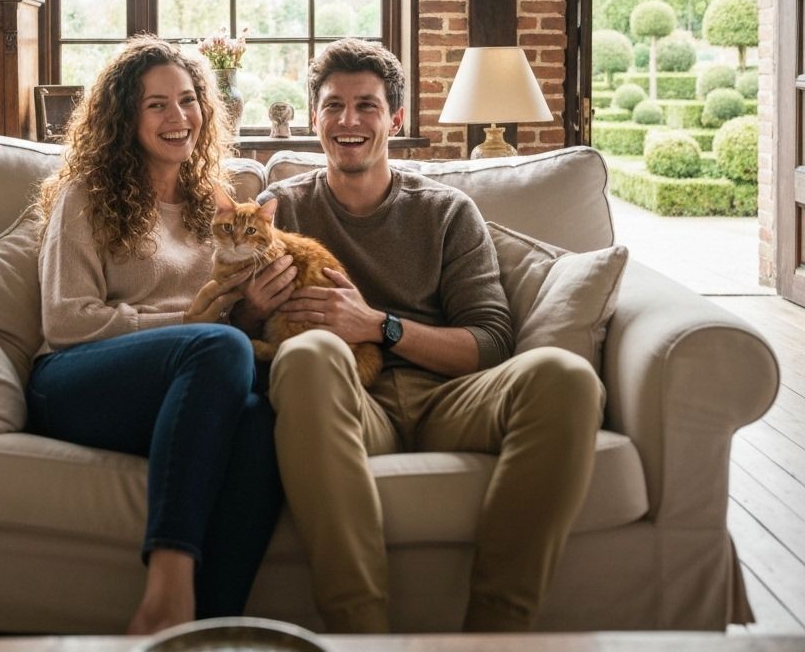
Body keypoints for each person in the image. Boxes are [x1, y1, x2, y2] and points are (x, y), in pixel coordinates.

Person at [234, 38, 604, 634]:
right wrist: (252, 310)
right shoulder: (282, 208)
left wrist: (378, 325)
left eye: (367, 106)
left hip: (450, 398)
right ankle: (361, 636)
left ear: (396, 119)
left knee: (565, 376)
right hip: (347, 404)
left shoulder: (447, 211)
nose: (348, 121)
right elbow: (233, 337)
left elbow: (491, 341)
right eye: (333, 106)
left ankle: (494, 636)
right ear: (313, 117)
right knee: (306, 354)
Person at [27, 35, 283, 635]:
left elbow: (217, 329)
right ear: (124, 117)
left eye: (188, 100)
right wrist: (192, 325)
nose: (179, 118)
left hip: (191, 382)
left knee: (259, 418)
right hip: (74, 380)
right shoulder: (86, 196)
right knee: (221, 346)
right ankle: (166, 592)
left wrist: (245, 314)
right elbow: (65, 320)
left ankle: (204, 632)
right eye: (157, 105)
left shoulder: (211, 205)